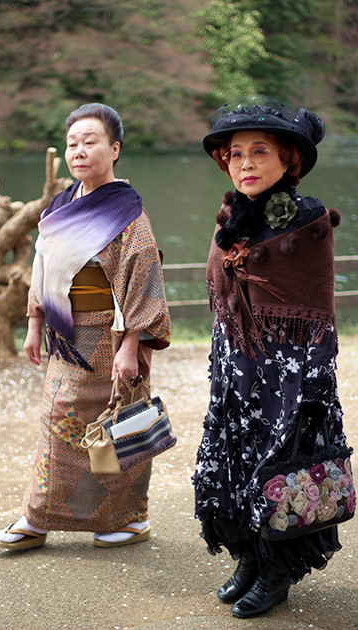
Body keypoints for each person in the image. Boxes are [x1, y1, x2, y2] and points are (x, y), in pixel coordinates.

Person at [193, 99, 352, 618]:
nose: (245, 163)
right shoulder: (230, 218)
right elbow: (224, 295)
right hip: (238, 368)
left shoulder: (307, 222)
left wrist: (313, 380)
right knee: (234, 462)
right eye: (235, 153)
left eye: (260, 152)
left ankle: (277, 571)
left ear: (289, 161)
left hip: (288, 376)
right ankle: (247, 556)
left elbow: (315, 305)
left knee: (276, 469)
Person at [0, 103, 171, 551]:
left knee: (115, 426)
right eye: (72, 143)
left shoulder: (127, 213)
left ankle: (126, 519)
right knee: (64, 423)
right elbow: (42, 264)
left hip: (107, 335)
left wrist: (132, 345)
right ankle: (42, 517)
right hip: (65, 335)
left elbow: (144, 275)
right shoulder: (60, 204)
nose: (79, 151)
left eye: (91, 142)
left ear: (114, 149)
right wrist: (34, 322)